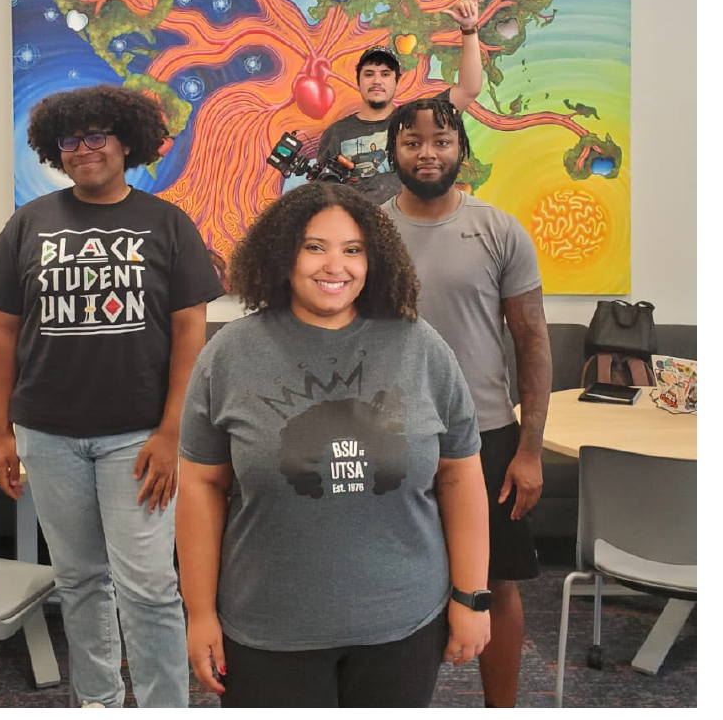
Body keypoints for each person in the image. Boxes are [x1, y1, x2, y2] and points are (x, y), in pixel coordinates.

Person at [175, 182, 491, 707]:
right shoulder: (229, 353)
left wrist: (471, 596)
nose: (334, 266)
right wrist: (200, 612)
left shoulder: (421, 346)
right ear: (283, 255)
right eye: (314, 247)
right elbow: (202, 486)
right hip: (267, 625)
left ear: (374, 261)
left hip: (402, 623)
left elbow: (461, 476)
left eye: (352, 250)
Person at [0, 84, 223, 708]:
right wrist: (3, 430)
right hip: (47, 431)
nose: (83, 150)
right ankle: (99, 703)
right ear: (57, 152)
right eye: (70, 141)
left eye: (96, 137)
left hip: (139, 436)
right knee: (81, 581)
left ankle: (165, 706)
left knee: (147, 585)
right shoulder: (29, 222)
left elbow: (192, 331)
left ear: (125, 143)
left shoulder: (167, 223)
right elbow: (4, 332)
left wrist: (173, 433)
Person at [381, 97, 553, 707]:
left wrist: (529, 449)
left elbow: (531, 341)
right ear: (393, 150)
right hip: (392, 436)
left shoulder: (499, 229)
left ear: (462, 152)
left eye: (442, 141)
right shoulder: (371, 234)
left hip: (486, 435)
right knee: (397, 588)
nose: (427, 153)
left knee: (496, 588)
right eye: (412, 142)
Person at [316, 0, 482, 205]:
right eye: (369, 74)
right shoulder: (335, 134)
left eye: (385, 74)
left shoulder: (418, 118)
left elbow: (469, 89)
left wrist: (469, 30)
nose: (377, 81)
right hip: (361, 234)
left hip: (413, 231)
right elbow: (323, 197)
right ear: (358, 81)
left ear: (397, 81)